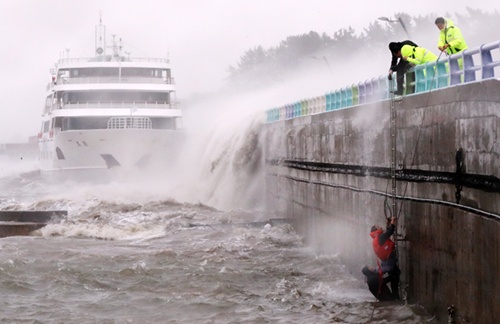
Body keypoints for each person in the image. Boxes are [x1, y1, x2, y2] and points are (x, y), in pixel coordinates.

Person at [370, 216, 400, 300]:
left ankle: (395, 297)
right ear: (376, 231)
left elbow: (386, 234)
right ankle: (395, 297)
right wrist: (393, 223)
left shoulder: (378, 238)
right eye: (378, 227)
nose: (380, 227)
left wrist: (388, 224)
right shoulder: (380, 238)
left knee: (395, 275)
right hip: (389, 260)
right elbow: (389, 232)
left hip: (386, 261)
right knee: (395, 276)